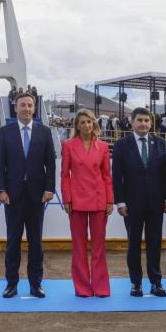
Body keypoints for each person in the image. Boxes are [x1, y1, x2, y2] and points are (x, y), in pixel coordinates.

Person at [0, 91, 56, 298]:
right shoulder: (5, 132)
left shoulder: (45, 132)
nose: (26, 109)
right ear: (15, 107)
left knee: (36, 242)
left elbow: (51, 164)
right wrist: (0, 189)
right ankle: (11, 283)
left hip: (37, 196)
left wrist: (49, 189)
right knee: (13, 241)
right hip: (12, 196)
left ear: (35, 107)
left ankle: (35, 284)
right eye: (23, 105)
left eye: (30, 105)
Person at [112, 107, 166, 297]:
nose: (144, 124)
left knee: (155, 244)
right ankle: (136, 283)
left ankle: (156, 282)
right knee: (134, 244)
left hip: (156, 203)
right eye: (140, 120)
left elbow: (165, 175)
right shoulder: (121, 145)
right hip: (131, 204)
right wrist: (120, 202)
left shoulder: (160, 142)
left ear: (151, 123)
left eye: (147, 120)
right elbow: (117, 176)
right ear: (132, 121)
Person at [61, 109, 113, 297]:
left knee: (99, 246)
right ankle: (82, 287)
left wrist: (110, 200)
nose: (86, 125)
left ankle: (101, 287)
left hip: (99, 199)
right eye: (82, 122)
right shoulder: (68, 146)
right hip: (76, 201)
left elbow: (107, 176)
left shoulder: (103, 147)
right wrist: (67, 198)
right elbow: (64, 175)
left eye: (89, 122)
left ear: (94, 124)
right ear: (77, 125)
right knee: (79, 246)